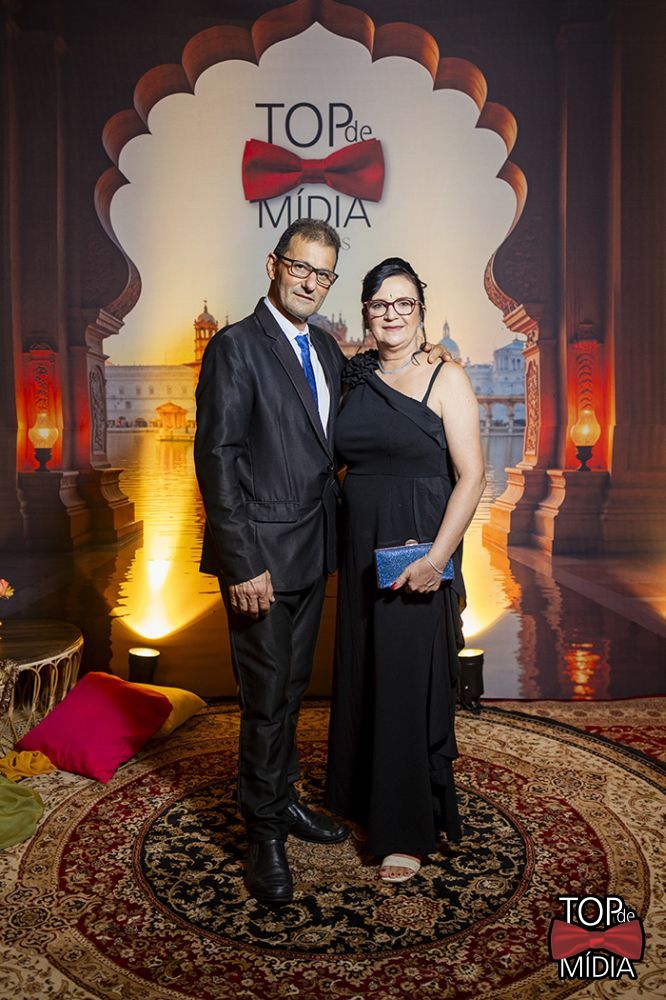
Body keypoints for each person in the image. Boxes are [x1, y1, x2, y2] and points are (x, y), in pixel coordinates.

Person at [195, 220, 449, 905]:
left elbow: (381, 399)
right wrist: (241, 561)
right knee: (265, 700)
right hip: (260, 559)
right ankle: (264, 835)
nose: (310, 281)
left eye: (324, 273)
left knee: (293, 689)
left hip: (316, 550)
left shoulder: (331, 350)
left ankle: (283, 798)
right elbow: (217, 458)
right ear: (275, 265)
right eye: (300, 267)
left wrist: (426, 352)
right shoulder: (234, 347)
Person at [325, 256, 486, 883]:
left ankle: (405, 829)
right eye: (379, 304)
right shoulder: (353, 376)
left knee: (404, 682)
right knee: (364, 672)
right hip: (361, 546)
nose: (391, 314)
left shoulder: (447, 376)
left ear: (420, 309)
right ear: (365, 312)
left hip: (419, 547)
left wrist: (437, 559)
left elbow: (472, 476)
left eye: (404, 303)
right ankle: (362, 800)